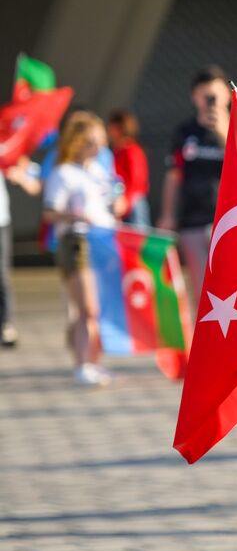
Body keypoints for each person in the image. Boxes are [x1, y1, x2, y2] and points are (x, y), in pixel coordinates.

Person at [43, 112, 124, 386]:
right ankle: (82, 364)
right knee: (86, 308)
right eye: (90, 141)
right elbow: (50, 213)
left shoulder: (98, 171)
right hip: (77, 242)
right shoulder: (63, 173)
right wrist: (74, 217)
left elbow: (107, 202)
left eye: (99, 141)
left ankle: (92, 361)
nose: (97, 147)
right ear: (76, 142)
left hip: (101, 241)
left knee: (96, 308)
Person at [159, 66, 230, 303]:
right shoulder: (184, 132)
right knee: (203, 296)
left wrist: (223, 132)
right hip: (192, 221)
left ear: (227, 95)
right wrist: (168, 215)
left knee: (232, 290)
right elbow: (173, 175)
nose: (210, 101)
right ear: (194, 96)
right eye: (204, 95)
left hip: (228, 222)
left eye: (215, 95)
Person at [0, 160, 42, 347]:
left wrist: (21, 174)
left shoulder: (5, 148)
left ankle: (6, 323)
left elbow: (31, 170)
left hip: (0, 222)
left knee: (2, 275)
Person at [108, 110, 150, 228]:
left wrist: (126, 201)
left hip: (133, 204)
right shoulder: (117, 152)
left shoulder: (132, 151)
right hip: (120, 203)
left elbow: (137, 182)